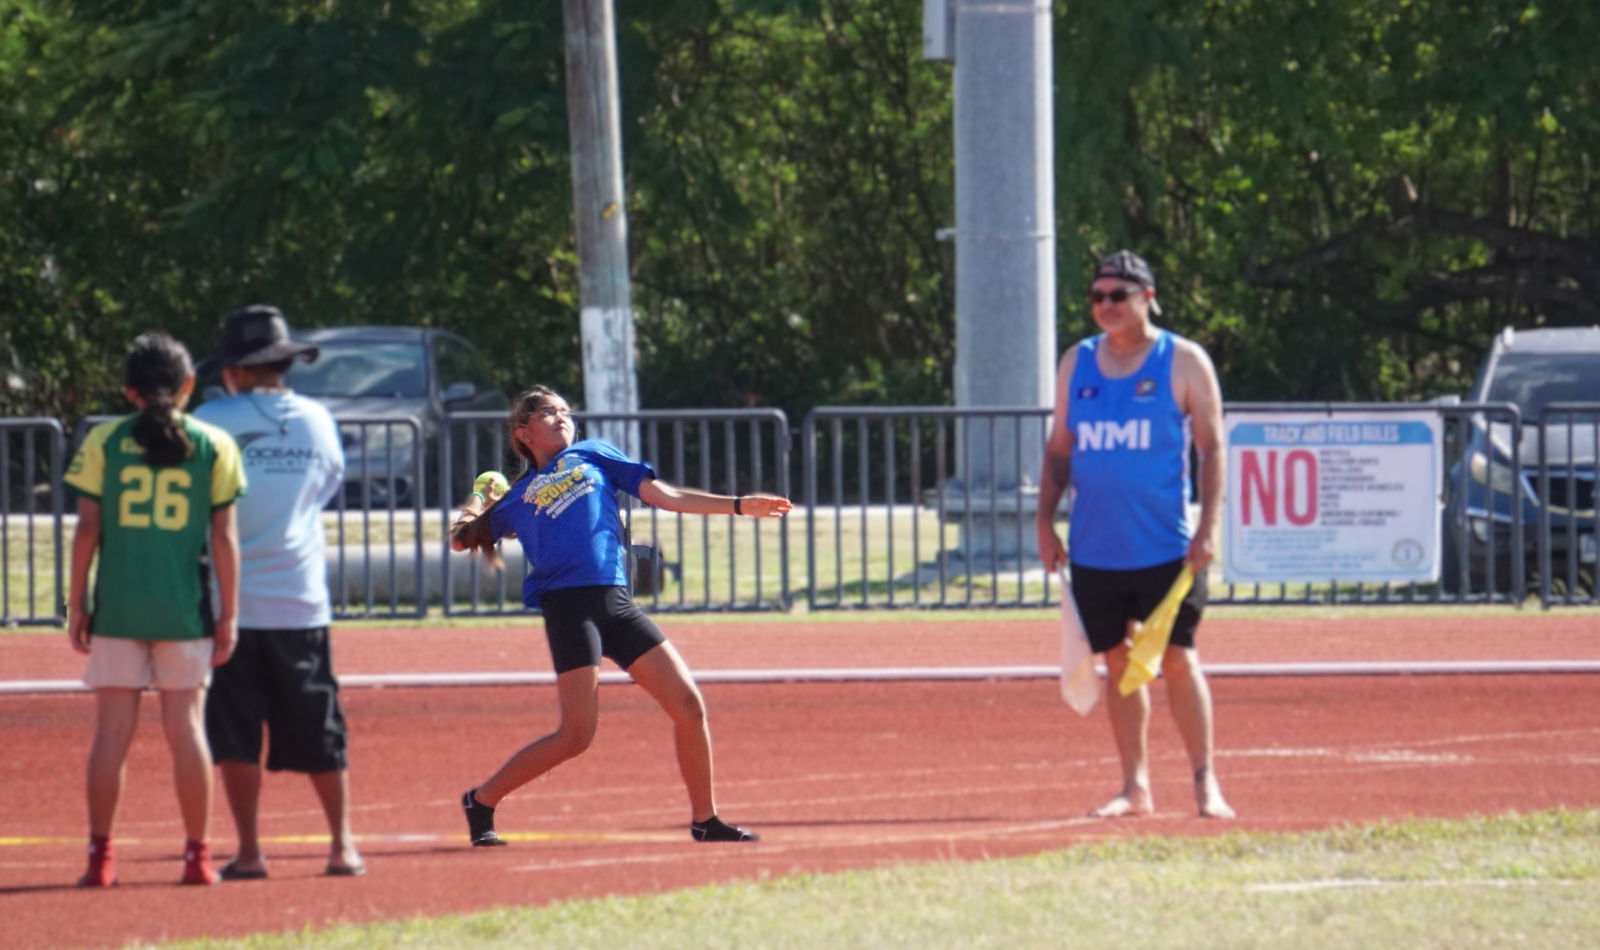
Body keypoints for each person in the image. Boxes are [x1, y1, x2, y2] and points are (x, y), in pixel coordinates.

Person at [450, 386, 791, 845]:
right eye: (548, 413)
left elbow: (665, 496)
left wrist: (737, 505)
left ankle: (705, 820)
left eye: (566, 411)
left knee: (689, 707)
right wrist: (479, 497)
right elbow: (461, 539)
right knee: (576, 736)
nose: (562, 417)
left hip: (615, 602)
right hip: (568, 608)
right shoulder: (520, 495)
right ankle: (483, 800)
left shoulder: (592, 454)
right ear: (523, 433)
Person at [1036, 250, 1235, 820]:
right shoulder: (1078, 362)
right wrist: (1043, 522)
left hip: (1166, 548)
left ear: (1147, 297)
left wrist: (1209, 527)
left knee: (1177, 659)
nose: (1104, 306)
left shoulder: (1184, 360)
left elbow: (1212, 447)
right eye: (1097, 296)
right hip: (1097, 548)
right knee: (1119, 664)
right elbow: (1059, 449)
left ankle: (1204, 784)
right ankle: (1135, 787)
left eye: (1116, 296)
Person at [192, 305, 365, 879]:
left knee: (234, 731)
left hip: (228, 607)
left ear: (234, 371)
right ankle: (342, 846)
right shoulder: (318, 420)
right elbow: (324, 490)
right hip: (300, 598)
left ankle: (249, 851)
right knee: (321, 724)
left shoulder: (210, 420)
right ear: (283, 364)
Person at [65, 332, 244, 886]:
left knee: (110, 733)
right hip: (183, 610)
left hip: (118, 608)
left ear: (128, 389)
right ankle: (197, 857)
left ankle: (100, 858)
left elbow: (88, 530)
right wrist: (228, 614)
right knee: (186, 729)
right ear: (189, 384)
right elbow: (223, 540)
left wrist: (77, 603)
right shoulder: (214, 444)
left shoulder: (106, 441)